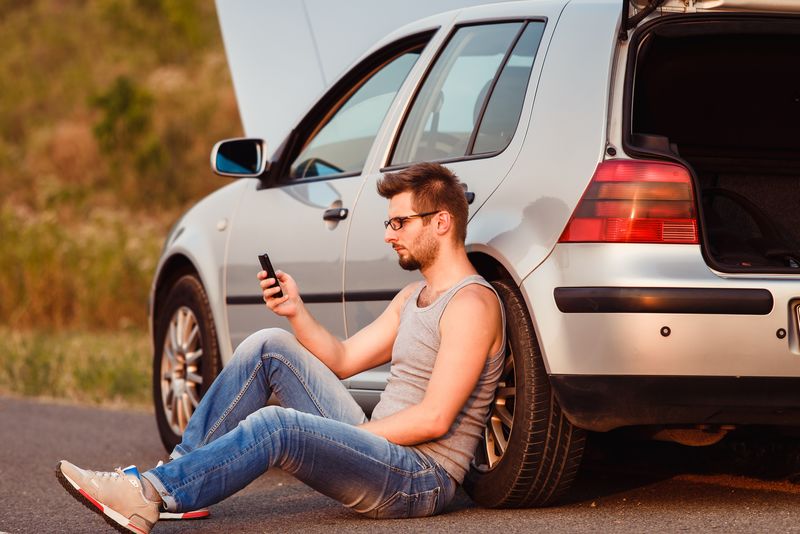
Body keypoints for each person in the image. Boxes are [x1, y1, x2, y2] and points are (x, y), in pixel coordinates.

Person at [56, 162, 505, 533]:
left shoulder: (471, 304)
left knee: (279, 426)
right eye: (389, 223)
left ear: (441, 222)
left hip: (419, 478)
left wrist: (346, 438)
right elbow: (344, 360)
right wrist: (296, 311)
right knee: (268, 345)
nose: (389, 234)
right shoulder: (412, 298)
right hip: (383, 450)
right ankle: (176, 481)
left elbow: (435, 417)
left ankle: (149, 492)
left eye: (400, 222)